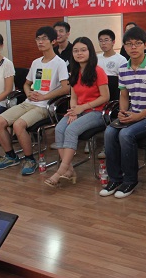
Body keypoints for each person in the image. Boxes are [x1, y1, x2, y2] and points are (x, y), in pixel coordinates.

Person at [0, 27, 70, 175]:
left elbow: (66, 88)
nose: (40, 42)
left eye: (44, 39)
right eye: (38, 39)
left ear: (53, 41)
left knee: (18, 125)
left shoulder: (59, 63)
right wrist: (29, 93)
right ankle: (11, 156)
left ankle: (30, 159)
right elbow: (27, 84)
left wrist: (44, 97)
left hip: (44, 106)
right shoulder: (36, 62)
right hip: (29, 102)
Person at [100, 27, 146, 198]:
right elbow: (124, 95)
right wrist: (123, 112)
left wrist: (139, 116)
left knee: (125, 135)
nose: (133, 47)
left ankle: (130, 180)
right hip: (133, 114)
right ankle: (115, 178)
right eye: (129, 44)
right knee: (109, 132)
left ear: (145, 45)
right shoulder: (123, 68)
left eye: (137, 43)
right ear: (124, 47)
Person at [45, 37, 110, 188]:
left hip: (96, 112)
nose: (79, 53)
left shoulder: (98, 71)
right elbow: (73, 97)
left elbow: (105, 97)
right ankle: (69, 169)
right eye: (75, 51)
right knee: (59, 129)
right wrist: (74, 111)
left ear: (90, 52)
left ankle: (61, 170)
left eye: (83, 50)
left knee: (71, 130)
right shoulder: (74, 72)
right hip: (79, 110)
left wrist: (83, 107)